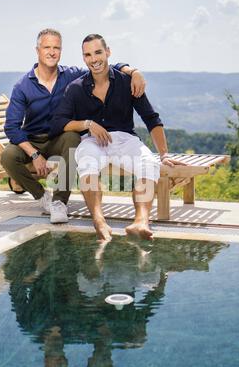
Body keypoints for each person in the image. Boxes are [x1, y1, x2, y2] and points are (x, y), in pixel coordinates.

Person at [1, 28, 146, 223]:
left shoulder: (71, 75)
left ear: (60, 51)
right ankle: (42, 196)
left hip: (60, 137)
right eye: (47, 47)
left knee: (73, 138)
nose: (52, 52)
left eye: (56, 48)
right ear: (37, 50)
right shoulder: (22, 86)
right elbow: (12, 127)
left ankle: (60, 202)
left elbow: (100, 67)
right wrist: (34, 154)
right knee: (7, 157)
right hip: (32, 140)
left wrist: (132, 71)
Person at [48, 34, 185, 240]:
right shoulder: (76, 89)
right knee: (86, 162)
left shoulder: (128, 82)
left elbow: (151, 118)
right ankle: (99, 220)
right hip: (92, 141)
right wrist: (87, 124)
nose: (94, 59)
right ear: (83, 58)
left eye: (98, 52)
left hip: (125, 139)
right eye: (88, 55)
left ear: (108, 52)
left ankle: (141, 221)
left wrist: (164, 154)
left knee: (149, 163)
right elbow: (58, 123)